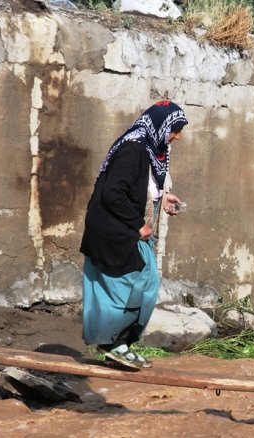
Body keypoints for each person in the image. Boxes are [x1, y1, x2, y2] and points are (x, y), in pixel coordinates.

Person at [79, 100, 188, 368]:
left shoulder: (149, 148)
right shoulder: (133, 149)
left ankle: (119, 343)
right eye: (175, 130)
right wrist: (138, 225)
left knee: (145, 282)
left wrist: (162, 197)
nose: (177, 136)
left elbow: (140, 185)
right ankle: (113, 343)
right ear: (161, 126)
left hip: (126, 230)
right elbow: (113, 192)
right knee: (134, 284)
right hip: (116, 230)